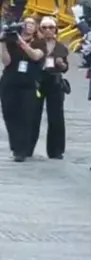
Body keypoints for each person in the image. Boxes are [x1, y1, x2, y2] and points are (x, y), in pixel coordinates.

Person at [0, 16, 45, 160]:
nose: (29, 26)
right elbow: (6, 62)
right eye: (26, 23)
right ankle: (15, 146)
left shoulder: (39, 42)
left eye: (32, 23)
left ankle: (22, 150)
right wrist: (3, 42)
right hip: (10, 81)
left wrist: (21, 41)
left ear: (36, 27)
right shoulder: (11, 42)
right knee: (10, 114)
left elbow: (36, 56)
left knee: (26, 116)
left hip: (28, 84)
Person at [32, 16, 69, 159]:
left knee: (57, 117)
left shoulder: (61, 47)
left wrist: (62, 64)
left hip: (55, 82)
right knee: (33, 114)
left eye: (51, 27)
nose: (48, 30)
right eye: (44, 27)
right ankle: (27, 147)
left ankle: (56, 150)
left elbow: (65, 68)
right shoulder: (36, 44)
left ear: (56, 30)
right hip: (38, 82)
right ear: (40, 30)